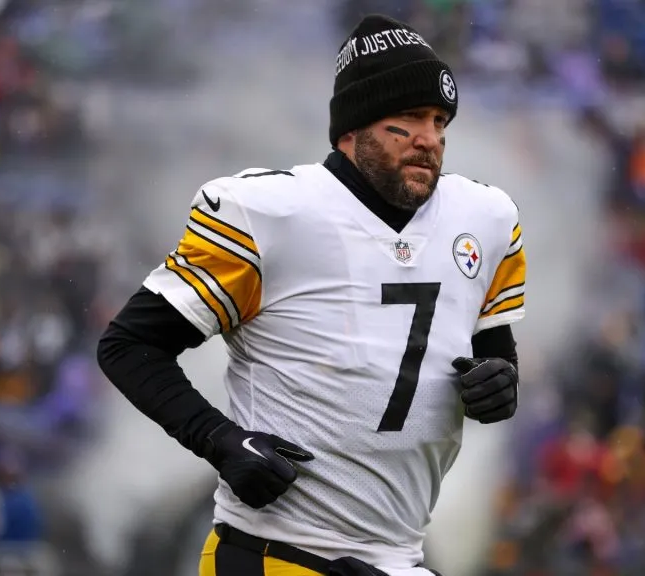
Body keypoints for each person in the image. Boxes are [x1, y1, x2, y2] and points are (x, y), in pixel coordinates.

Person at [97, 14, 526, 576]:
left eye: (440, 120)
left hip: (400, 557)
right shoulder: (268, 213)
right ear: (352, 127)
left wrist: (499, 381)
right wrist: (219, 440)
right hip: (279, 550)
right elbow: (130, 345)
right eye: (409, 117)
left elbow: (495, 351)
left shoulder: (485, 219)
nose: (430, 138)